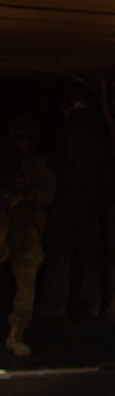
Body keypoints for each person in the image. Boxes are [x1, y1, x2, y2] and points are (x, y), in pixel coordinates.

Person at [0, 114, 56, 358]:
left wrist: (23, 198)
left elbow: (48, 192)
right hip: (4, 221)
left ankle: (16, 333)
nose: (23, 142)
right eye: (18, 137)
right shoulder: (5, 160)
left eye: (29, 138)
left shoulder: (38, 163)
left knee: (26, 278)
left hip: (24, 226)